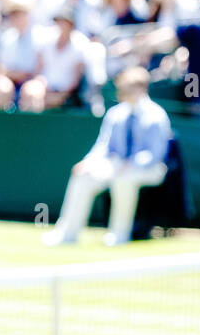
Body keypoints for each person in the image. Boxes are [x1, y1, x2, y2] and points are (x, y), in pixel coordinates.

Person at [43, 66, 172, 247]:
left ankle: (118, 235)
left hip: (149, 169)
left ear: (141, 88)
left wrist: (132, 163)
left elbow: (156, 153)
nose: (122, 93)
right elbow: (103, 146)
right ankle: (67, 233)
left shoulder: (156, 115)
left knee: (124, 179)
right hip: (117, 165)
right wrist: (88, 162)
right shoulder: (115, 114)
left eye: (128, 89)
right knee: (83, 176)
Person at [22, 6, 88, 111]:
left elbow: (76, 79)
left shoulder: (79, 45)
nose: (60, 26)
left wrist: (62, 95)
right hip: (45, 88)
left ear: (71, 25)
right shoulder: (46, 41)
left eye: (63, 23)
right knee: (30, 90)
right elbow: (38, 70)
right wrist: (43, 85)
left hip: (67, 95)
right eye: (58, 22)